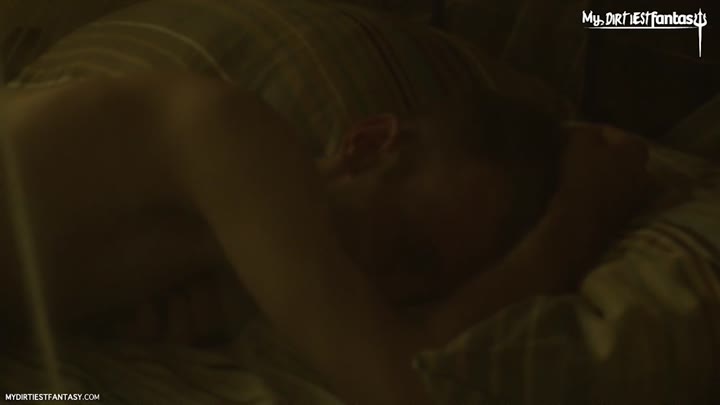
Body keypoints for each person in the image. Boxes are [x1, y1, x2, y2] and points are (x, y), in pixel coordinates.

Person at [0, 72, 655, 404]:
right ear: (367, 146)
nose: (380, 286)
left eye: (424, 285)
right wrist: (581, 213)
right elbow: (405, 383)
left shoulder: (218, 263)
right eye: (401, 245)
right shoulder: (234, 136)